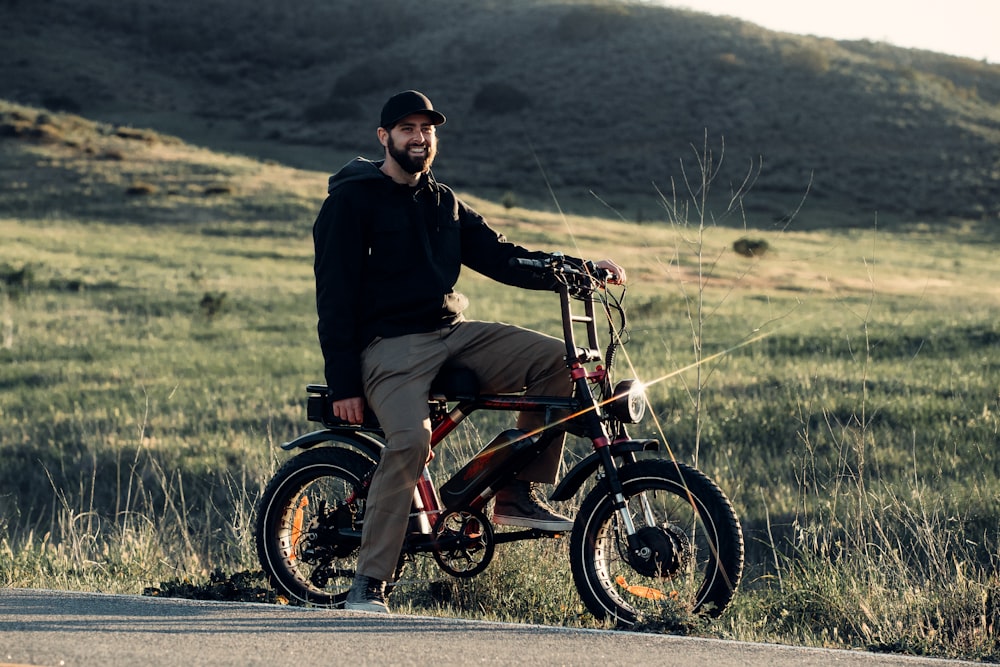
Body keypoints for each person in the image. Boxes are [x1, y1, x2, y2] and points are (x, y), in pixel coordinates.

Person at [312, 90, 625, 613]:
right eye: (407, 128)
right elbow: (334, 296)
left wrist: (575, 267)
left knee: (555, 362)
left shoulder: (444, 201)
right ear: (383, 137)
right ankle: (368, 583)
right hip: (389, 347)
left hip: (453, 332)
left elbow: (502, 256)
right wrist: (344, 383)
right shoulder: (351, 201)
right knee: (409, 442)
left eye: (427, 129)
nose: (419, 137)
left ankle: (514, 494)